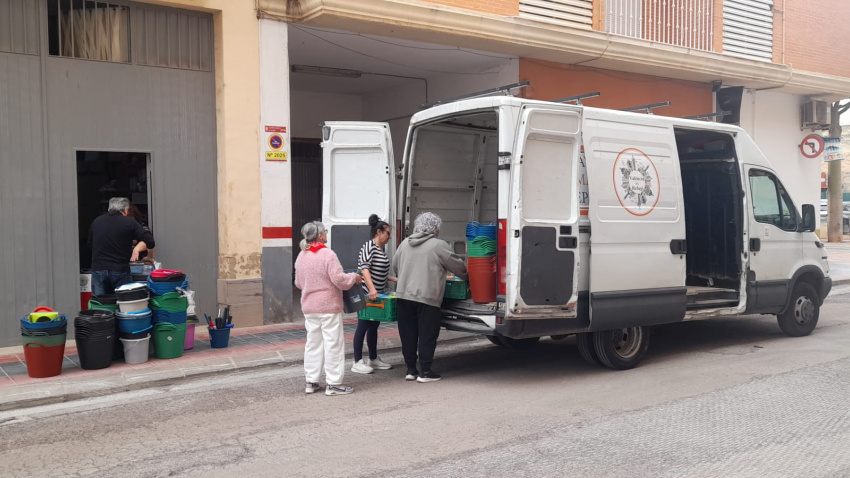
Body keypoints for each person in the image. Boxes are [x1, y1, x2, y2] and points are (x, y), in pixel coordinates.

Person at [392, 212, 467, 383]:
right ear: (435, 229)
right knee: (427, 335)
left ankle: (411, 370)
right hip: (427, 297)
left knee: (408, 334)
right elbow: (458, 267)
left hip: (403, 296)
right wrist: (467, 278)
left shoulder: (405, 243)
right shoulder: (438, 245)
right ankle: (425, 372)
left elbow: (396, 266)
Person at [294, 221, 363, 396]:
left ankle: (311, 381)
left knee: (313, 344)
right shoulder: (327, 254)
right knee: (333, 344)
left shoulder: (302, 256)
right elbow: (339, 279)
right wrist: (353, 278)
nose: (326, 233)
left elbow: (298, 283)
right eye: (324, 231)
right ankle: (333, 383)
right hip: (328, 306)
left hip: (310, 306)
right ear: (320, 235)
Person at [351, 214, 397, 374]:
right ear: (379, 232)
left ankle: (373, 358)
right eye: (388, 233)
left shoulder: (380, 250)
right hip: (366, 294)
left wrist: (396, 279)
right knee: (363, 325)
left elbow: (380, 273)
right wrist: (371, 289)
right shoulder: (368, 247)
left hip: (377, 294)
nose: (389, 237)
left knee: (373, 326)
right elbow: (364, 269)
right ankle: (357, 361)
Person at [87, 197, 156, 296]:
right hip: (119, 269)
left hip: (98, 270)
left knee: (100, 304)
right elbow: (150, 241)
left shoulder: (96, 222)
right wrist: (149, 256)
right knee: (124, 303)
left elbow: (89, 245)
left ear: (109, 209)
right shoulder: (129, 222)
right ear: (126, 210)